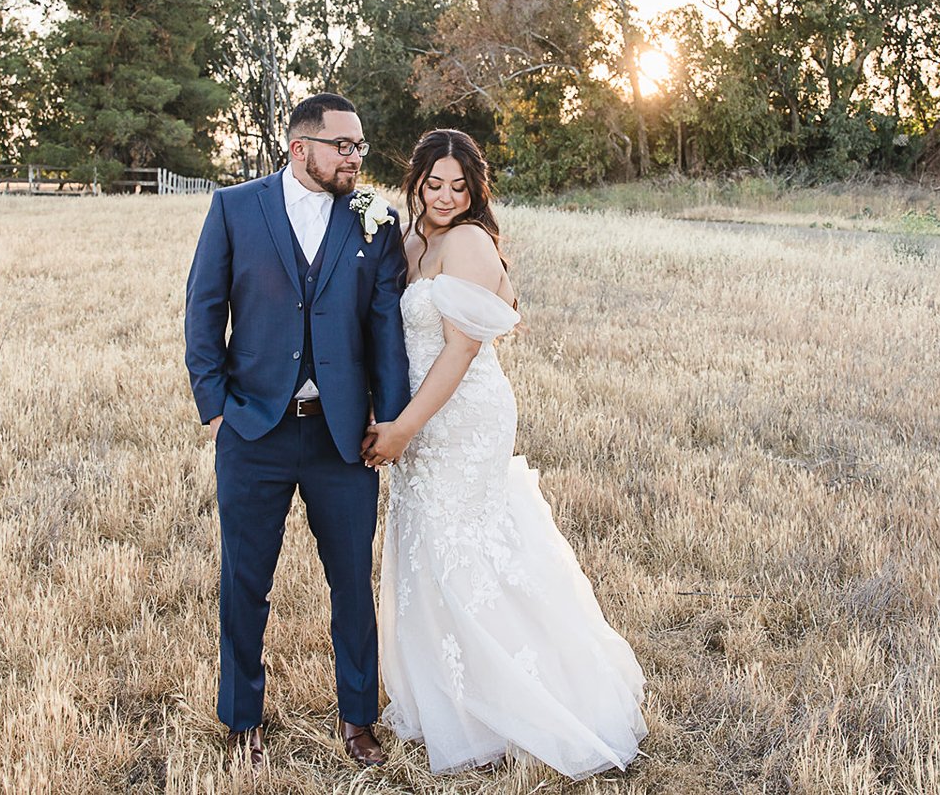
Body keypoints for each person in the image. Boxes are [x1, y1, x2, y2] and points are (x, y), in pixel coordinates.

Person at [364, 129, 647, 778]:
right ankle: (453, 696)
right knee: (428, 545)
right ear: (414, 182)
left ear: (474, 190)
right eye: (433, 184)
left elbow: (461, 350)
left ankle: (520, 696)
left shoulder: (464, 240)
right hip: (423, 413)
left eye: (457, 186)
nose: (444, 196)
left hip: (460, 415)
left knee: (462, 543)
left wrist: (404, 426)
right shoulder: (415, 240)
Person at [184, 94, 411, 771]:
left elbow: (386, 327)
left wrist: (389, 415)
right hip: (253, 432)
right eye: (343, 145)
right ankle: (242, 719)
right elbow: (203, 311)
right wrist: (217, 407)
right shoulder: (234, 208)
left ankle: (357, 717)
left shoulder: (375, 220)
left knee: (351, 583)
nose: (355, 158)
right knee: (245, 582)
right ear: (299, 147)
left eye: (360, 147)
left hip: (342, 438)